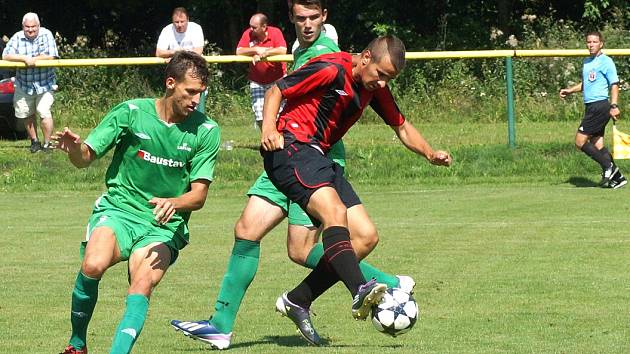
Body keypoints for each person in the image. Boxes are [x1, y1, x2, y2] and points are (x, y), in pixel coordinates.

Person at [170, 1, 413, 349]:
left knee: (301, 249)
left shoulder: (329, 54)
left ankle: (382, 283)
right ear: (291, 19)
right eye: (300, 18)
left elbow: (294, 96)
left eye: (314, 17)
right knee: (247, 230)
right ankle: (221, 326)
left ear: (325, 17)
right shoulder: (298, 49)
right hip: (287, 154)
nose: (307, 24)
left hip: (309, 160)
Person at [261, 35, 452, 345]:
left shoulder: (372, 87)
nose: (381, 82)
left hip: (318, 155)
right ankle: (360, 290)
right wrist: (268, 128)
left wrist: (430, 153)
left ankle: (298, 299)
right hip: (291, 147)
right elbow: (276, 89)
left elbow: (401, 126)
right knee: (335, 214)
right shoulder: (330, 68)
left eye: (389, 78)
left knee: (365, 236)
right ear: (365, 58)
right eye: (380, 73)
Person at [55, 51, 220, 354]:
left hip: (162, 225)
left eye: (201, 93)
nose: (196, 100)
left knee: (141, 283)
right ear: (171, 83)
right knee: (92, 265)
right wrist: (75, 149)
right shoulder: (131, 112)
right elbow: (85, 159)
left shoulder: (207, 130)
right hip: (119, 210)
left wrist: (175, 201)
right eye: (191, 91)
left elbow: (198, 196)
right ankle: (77, 344)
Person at [560, 31, 626, 189]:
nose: (591, 45)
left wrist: (614, 106)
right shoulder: (587, 62)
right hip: (591, 107)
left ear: (601, 43)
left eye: (594, 42)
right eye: (588, 42)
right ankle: (618, 178)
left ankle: (608, 167)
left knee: (579, 141)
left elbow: (614, 84)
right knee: (597, 145)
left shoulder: (607, 61)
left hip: (600, 106)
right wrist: (570, 90)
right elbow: (585, 84)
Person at [2, 12, 58, 153]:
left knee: (43, 111)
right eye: (27, 27)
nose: (31, 29)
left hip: (45, 83)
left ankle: (47, 143)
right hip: (24, 84)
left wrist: (35, 60)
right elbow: (5, 55)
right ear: (23, 26)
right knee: (26, 113)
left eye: (33, 26)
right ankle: (34, 141)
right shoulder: (17, 37)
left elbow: (51, 56)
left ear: (39, 25)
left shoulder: (46, 35)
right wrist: (24, 58)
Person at [236, 13, 287, 129]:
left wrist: (267, 52)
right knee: (259, 116)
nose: (251, 29)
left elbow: (283, 50)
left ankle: (278, 138)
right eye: (250, 26)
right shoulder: (248, 34)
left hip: (277, 80)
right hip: (257, 81)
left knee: (279, 113)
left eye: (254, 27)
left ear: (264, 27)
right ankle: (267, 138)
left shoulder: (275, 32)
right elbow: (239, 51)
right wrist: (255, 50)